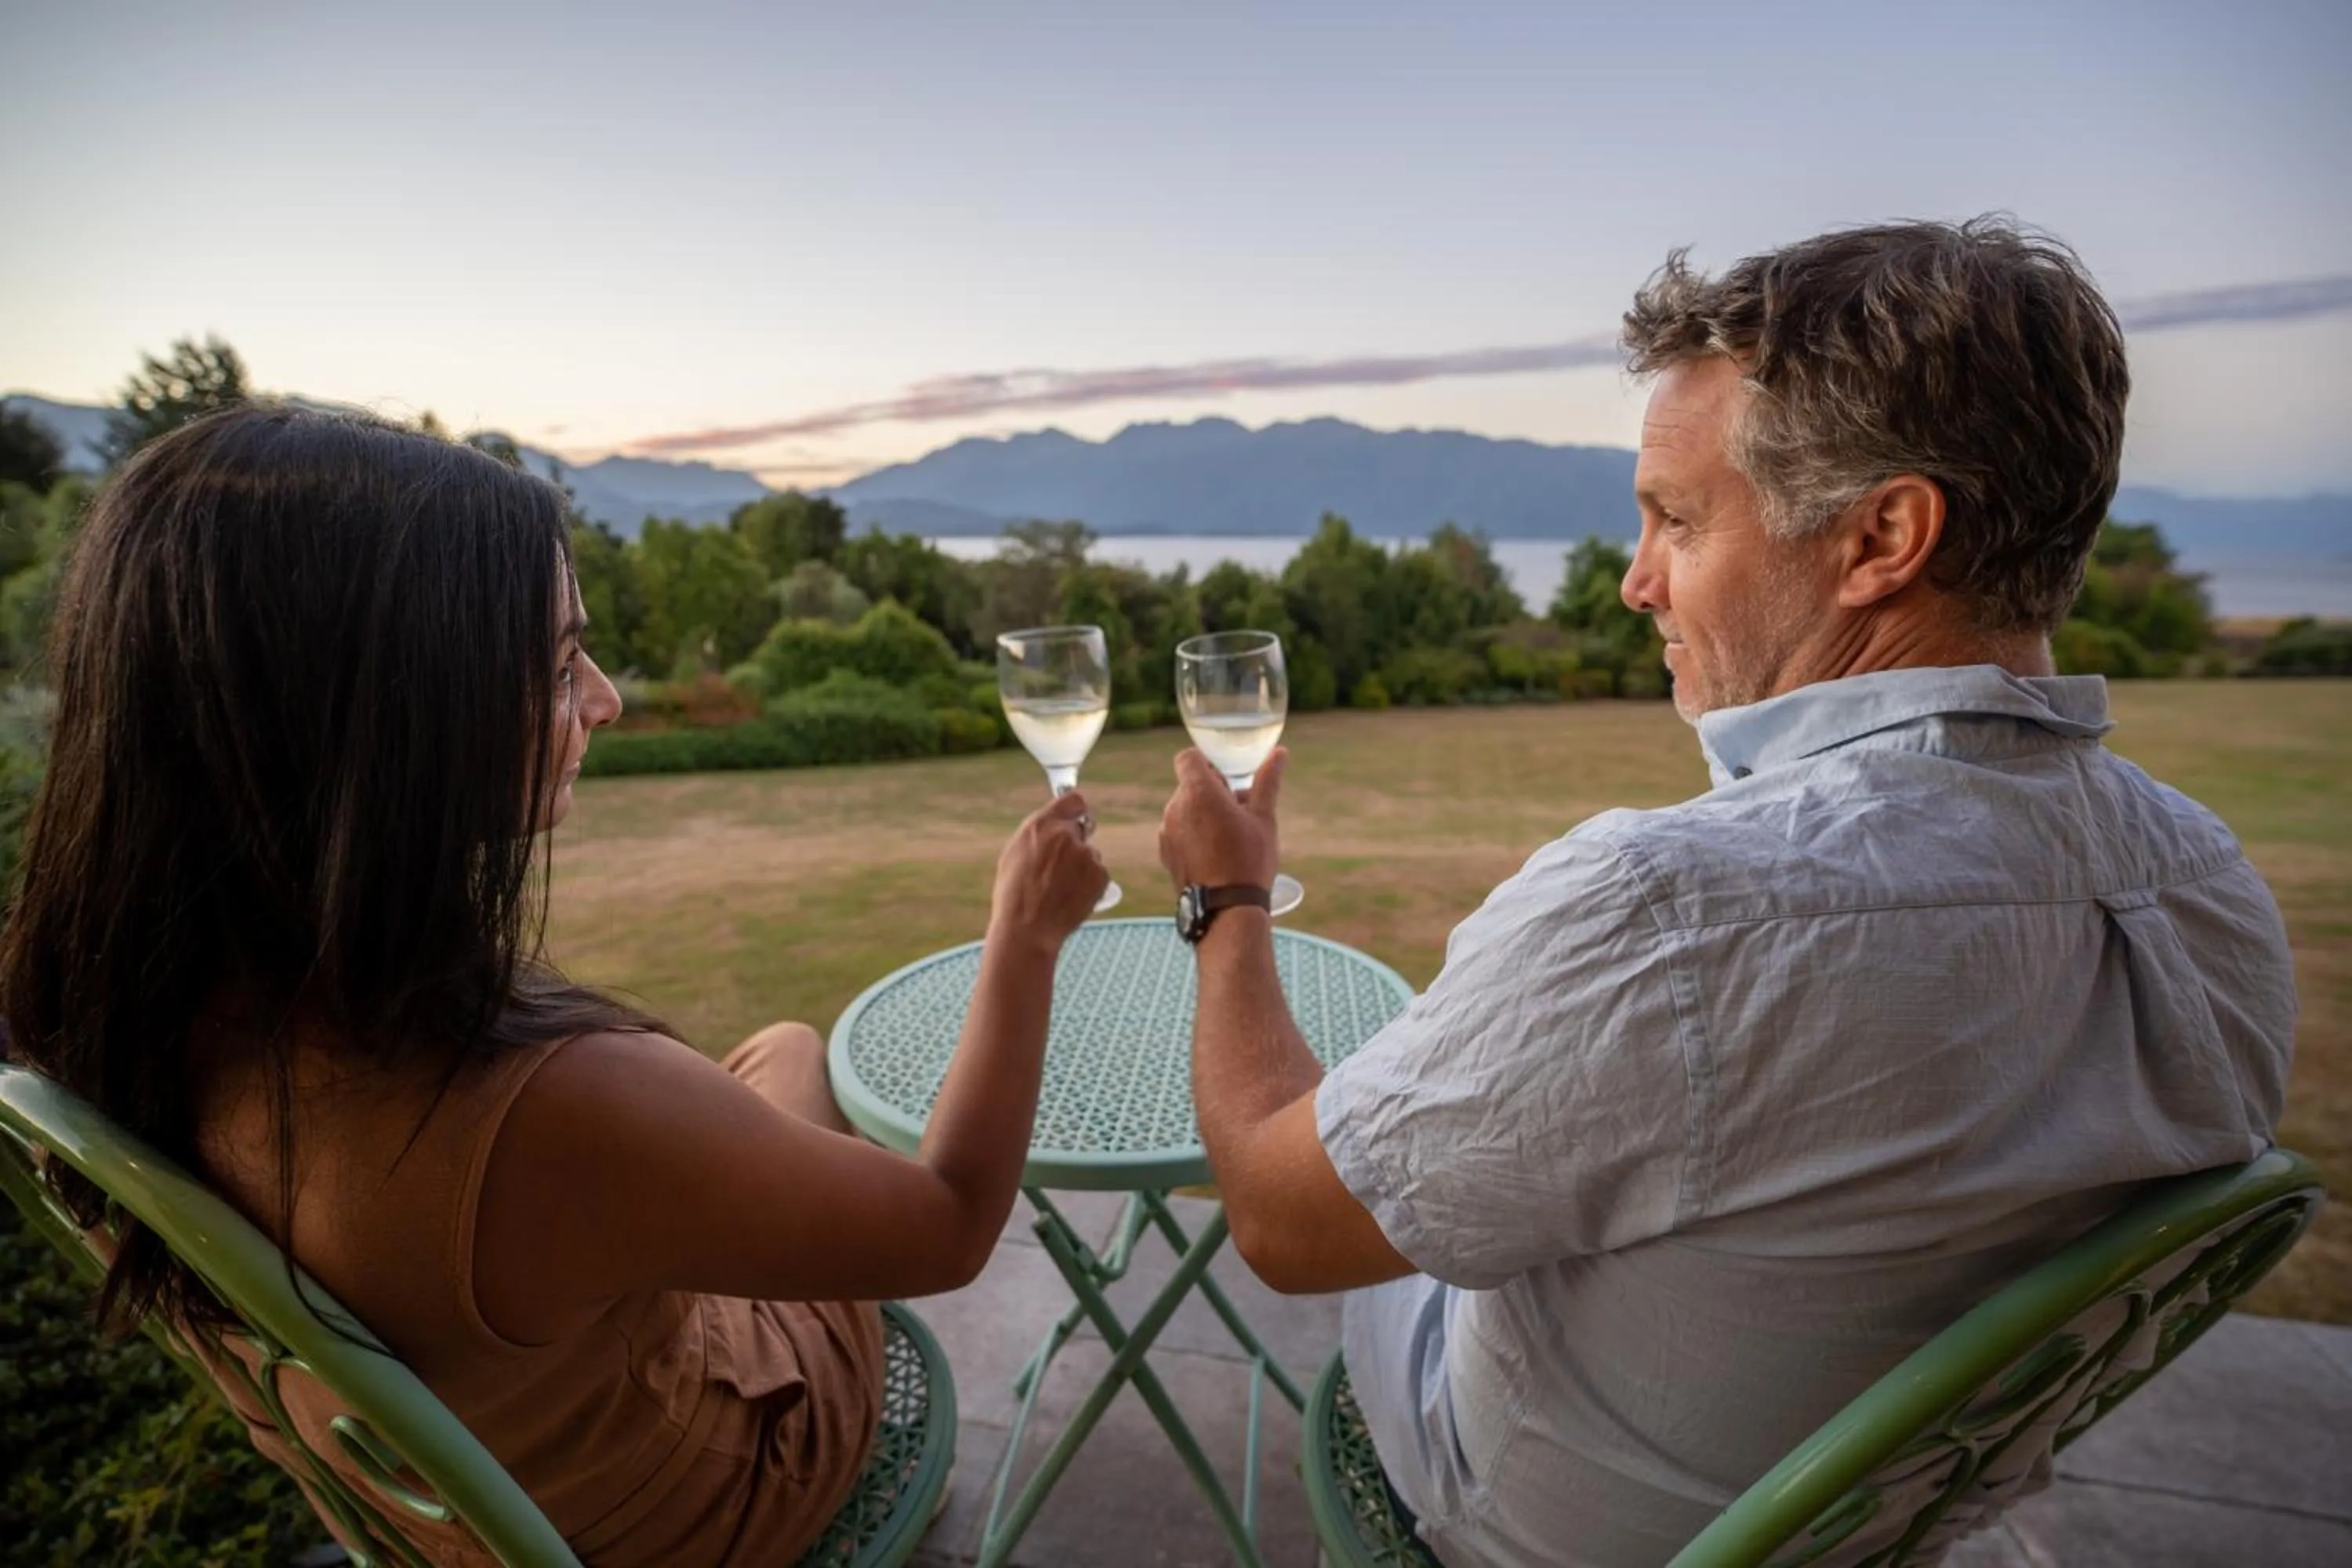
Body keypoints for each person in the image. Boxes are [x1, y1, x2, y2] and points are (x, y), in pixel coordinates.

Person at [1156, 217, 2296, 1567]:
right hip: (1872, 1513)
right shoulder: (2211, 894)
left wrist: (1228, 904)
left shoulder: (1669, 917)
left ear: (1883, 536)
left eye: (1678, 519)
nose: (1639, 582)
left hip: (1548, 1526)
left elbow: (1283, 1224)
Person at [0, 404, 1109, 1565]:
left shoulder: (123, 1013)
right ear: (389, 713)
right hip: (703, 1509)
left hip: (481, 1503)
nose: (606, 701)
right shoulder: (536, 1108)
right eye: (559, 661)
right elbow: (949, 1228)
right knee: (795, 1062)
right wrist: (1022, 936)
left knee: (780, 1050)